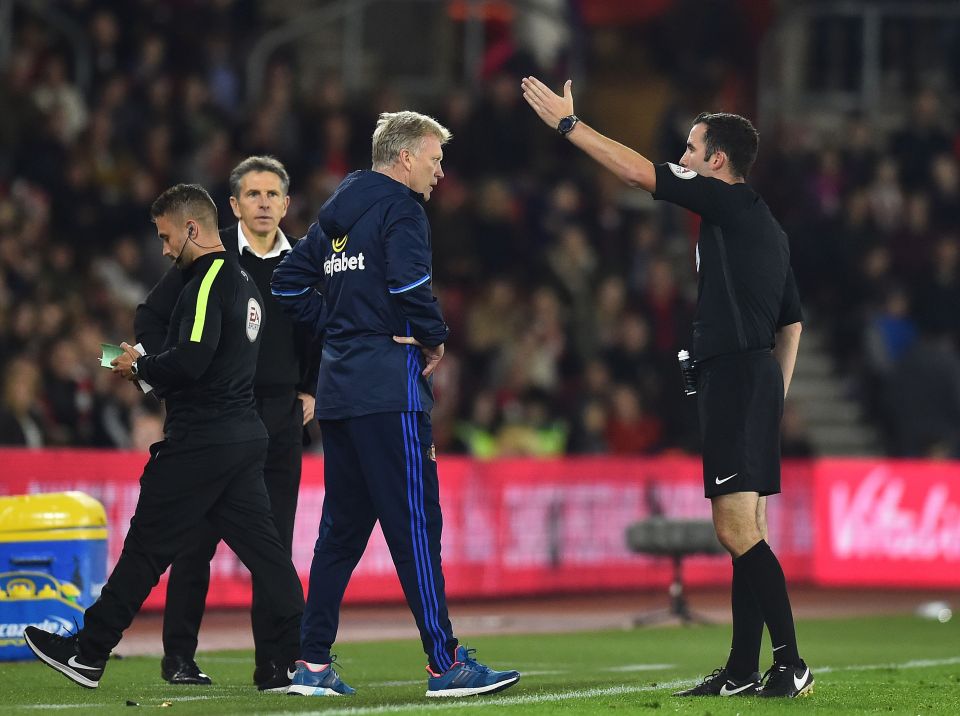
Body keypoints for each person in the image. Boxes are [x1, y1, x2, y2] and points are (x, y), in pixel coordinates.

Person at [521, 77, 811, 699]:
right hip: (755, 377)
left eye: (691, 148)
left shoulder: (725, 203)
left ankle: (791, 662)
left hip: (736, 376)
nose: (682, 157)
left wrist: (571, 127)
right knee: (748, 529)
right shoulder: (768, 228)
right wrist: (777, 394)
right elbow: (792, 322)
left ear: (717, 161)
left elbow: (635, 173)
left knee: (735, 531)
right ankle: (741, 669)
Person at [271, 111, 520, 698]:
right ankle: (446, 663)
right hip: (389, 390)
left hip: (340, 392)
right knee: (415, 526)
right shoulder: (401, 209)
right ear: (405, 157)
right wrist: (433, 336)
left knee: (340, 532)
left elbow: (286, 284)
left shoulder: (336, 214)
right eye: (433, 159)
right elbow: (411, 287)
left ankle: (310, 665)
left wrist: (340, 329)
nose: (439, 172)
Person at [24, 184, 304, 690]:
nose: (164, 248)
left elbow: (194, 358)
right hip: (243, 437)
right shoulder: (244, 282)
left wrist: (141, 365)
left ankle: (87, 653)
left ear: (192, 229)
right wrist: (147, 372)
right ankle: (308, 658)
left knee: (146, 549)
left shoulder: (207, 280)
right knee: (268, 556)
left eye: (167, 235)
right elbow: (217, 361)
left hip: (202, 441)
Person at [135, 156, 315, 691]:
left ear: (286, 204)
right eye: (252, 194)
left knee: (272, 546)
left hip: (280, 417)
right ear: (232, 206)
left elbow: (318, 329)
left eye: (272, 194)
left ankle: (276, 665)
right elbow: (149, 316)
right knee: (196, 540)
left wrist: (311, 387)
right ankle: (178, 658)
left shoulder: (302, 264)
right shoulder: (207, 262)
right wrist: (173, 372)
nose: (263, 203)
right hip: (216, 417)